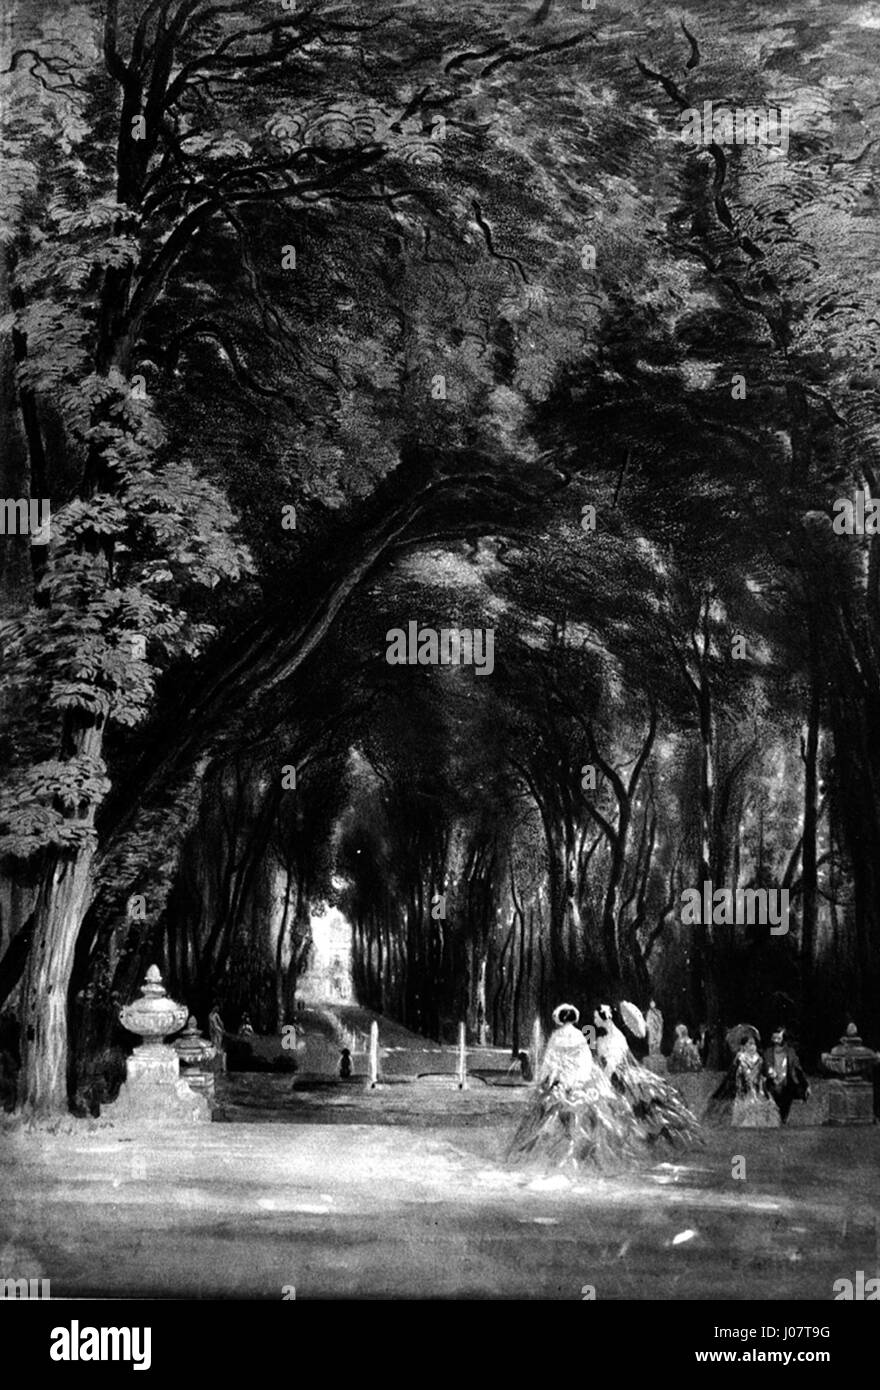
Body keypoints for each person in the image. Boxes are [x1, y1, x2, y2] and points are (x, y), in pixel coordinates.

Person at [508, 1004, 641, 1174]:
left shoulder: (556, 1037)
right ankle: (583, 1158)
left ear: (560, 1019)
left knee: (544, 1119)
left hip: (560, 1084)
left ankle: (542, 1159)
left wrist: (544, 1081)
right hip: (577, 1084)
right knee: (584, 1121)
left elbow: (549, 1063)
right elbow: (585, 1063)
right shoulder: (579, 1036)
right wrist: (581, 1081)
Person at [592, 1004, 703, 1150]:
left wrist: (603, 1082)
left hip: (618, 1078)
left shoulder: (615, 1037)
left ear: (604, 1017)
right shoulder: (607, 1036)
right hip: (614, 1076)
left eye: (596, 1016)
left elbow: (612, 1064)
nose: (594, 1019)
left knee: (632, 1113)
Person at [711, 1034, 779, 1128]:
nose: (752, 1047)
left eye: (753, 1044)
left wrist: (771, 1073)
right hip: (744, 1088)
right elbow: (732, 1074)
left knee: (762, 1103)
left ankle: (761, 1122)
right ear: (744, 1046)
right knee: (747, 1105)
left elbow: (765, 1069)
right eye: (749, 1044)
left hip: (758, 1087)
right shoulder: (740, 1059)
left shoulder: (759, 1059)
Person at [763, 1027, 809, 1124]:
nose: (776, 1041)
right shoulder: (768, 1052)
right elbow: (766, 1066)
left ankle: (782, 1121)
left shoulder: (790, 1052)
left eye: (778, 1038)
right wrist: (770, 1073)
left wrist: (805, 1084)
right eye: (774, 1038)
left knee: (785, 1107)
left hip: (787, 1084)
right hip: (772, 1084)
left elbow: (798, 1069)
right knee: (774, 1106)